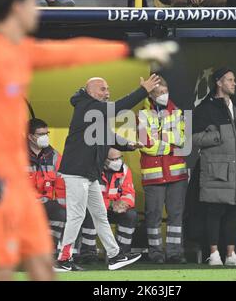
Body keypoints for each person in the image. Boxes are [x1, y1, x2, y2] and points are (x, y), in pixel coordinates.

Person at [0, 0, 177, 281]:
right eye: (33, 3)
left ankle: (104, 256)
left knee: (43, 263)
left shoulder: (19, 48)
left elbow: (73, 52)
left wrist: (131, 49)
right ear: (17, 8)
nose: (38, 9)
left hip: (12, 168)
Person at [57, 75, 162, 272]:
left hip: (89, 173)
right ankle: (63, 259)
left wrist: (128, 145)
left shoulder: (93, 110)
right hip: (77, 172)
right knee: (77, 216)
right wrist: (143, 91)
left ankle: (114, 256)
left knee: (100, 215)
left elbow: (107, 135)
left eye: (108, 89)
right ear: (90, 91)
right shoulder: (87, 107)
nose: (107, 93)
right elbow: (118, 108)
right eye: (102, 89)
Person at [192, 67, 236, 266]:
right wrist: (218, 136)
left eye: (234, 80)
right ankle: (214, 254)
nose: (234, 83)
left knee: (233, 211)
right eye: (230, 80)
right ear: (219, 82)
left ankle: (231, 255)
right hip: (216, 170)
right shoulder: (205, 108)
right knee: (215, 212)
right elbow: (194, 138)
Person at [138, 75, 189, 264]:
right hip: (154, 176)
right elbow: (146, 144)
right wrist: (169, 143)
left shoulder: (177, 112)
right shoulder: (142, 115)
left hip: (176, 175)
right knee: (154, 216)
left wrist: (159, 136)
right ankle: (156, 253)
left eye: (165, 91)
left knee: (176, 215)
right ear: (151, 95)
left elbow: (183, 140)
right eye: (159, 92)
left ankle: (175, 252)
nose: (163, 95)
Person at [79, 148, 138, 262]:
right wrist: (111, 204)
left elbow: (129, 193)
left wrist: (125, 204)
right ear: (104, 159)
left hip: (115, 209)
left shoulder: (124, 170)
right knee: (91, 212)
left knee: (131, 215)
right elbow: (89, 198)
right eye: (113, 159)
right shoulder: (93, 170)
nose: (117, 162)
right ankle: (88, 253)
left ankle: (122, 252)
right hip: (98, 208)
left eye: (119, 158)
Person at [27, 118, 72, 266]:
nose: (45, 137)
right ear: (29, 136)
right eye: (40, 134)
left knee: (60, 212)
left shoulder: (54, 156)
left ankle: (49, 253)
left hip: (46, 202)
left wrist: (64, 206)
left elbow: (61, 184)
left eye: (47, 133)